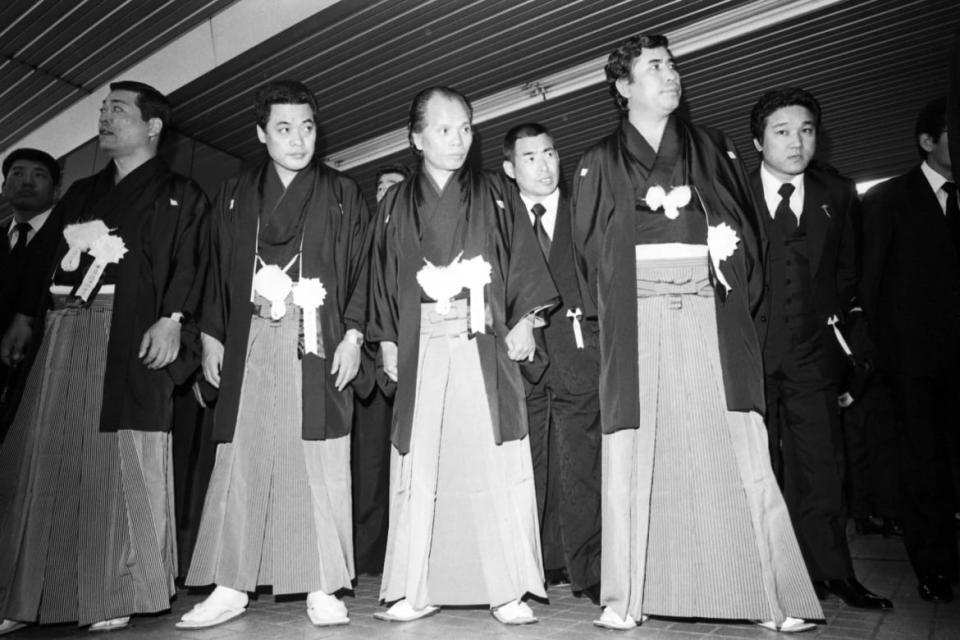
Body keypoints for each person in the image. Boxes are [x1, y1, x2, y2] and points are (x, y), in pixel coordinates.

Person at [572, 35, 821, 632]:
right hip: (638, 318)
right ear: (623, 86)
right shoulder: (598, 159)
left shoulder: (713, 148)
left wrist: (713, 244)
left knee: (739, 450)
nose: (672, 74)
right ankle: (625, 597)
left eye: (674, 64)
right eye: (655, 66)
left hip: (710, 312)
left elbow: (749, 237)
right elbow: (584, 254)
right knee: (634, 454)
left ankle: (767, 596)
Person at [0, 81, 209, 634]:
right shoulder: (83, 192)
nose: (105, 117)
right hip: (65, 329)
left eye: (118, 110)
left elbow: (192, 262)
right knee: (46, 453)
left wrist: (175, 318)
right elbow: (44, 259)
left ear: (153, 126)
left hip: (131, 333)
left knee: (119, 463)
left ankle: (113, 589)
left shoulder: (182, 192)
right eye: (102, 110)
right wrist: (24, 316)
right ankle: (26, 597)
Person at [178, 80, 370, 628]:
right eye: (284, 129)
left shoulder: (341, 192)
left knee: (318, 458)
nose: (298, 140)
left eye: (307, 127)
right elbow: (214, 265)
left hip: (319, 336)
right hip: (252, 334)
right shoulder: (236, 191)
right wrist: (212, 334)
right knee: (241, 454)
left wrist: (354, 336)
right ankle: (230, 584)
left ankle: (322, 583)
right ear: (262, 134)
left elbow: (364, 266)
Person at [368, 86, 558, 624]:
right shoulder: (396, 203)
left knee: (490, 458)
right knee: (422, 462)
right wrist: (385, 340)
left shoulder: (497, 192)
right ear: (416, 138)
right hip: (421, 338)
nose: (457, 139)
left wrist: (525, 320)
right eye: (444, 129)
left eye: (466, 128)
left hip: (483, 340)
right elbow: (382, 277)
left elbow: (522, 258)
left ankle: (505, 588)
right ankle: (416, 586)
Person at [750, 87, 892, 610]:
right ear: (758, 141)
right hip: (752, 354)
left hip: (812, 354)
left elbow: (848, 270)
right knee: (759, 468)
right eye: (782, 131)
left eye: (806, 130)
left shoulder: (836, 192)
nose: (796, 141)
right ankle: (766, 576)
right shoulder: (734, 194)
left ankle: (834, 573)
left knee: (823, 467)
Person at [860, 96, 959, 603]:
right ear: (928, 141)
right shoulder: (887, 200)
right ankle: (936, 567)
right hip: (913, 370)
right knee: (925, 471)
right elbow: (870, 289)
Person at [501, 123, 601, 601]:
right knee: (529, 464)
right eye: (530, 158)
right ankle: (532, 565)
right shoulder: (501, 220)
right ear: (509, 168)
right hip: (521, 358)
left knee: (582, 463)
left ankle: (587, 567)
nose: (544, 166)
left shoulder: (584, 210)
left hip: (580, 349)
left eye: (550, 154)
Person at [351, 163, 409, 577]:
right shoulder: (361, 236)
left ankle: (408, 551)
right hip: (369, 368)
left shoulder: (415, 233)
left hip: (414, 363)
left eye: (395, 186)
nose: (386, 191)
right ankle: (368, 556)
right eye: (380, 185)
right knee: (368, 465)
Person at [0, 148, 60, 439]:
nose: (27, 182)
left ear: (56, 190)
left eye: (39, 176)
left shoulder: (68, 242)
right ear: (3, 187)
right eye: (17, 174)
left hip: (40, 375)